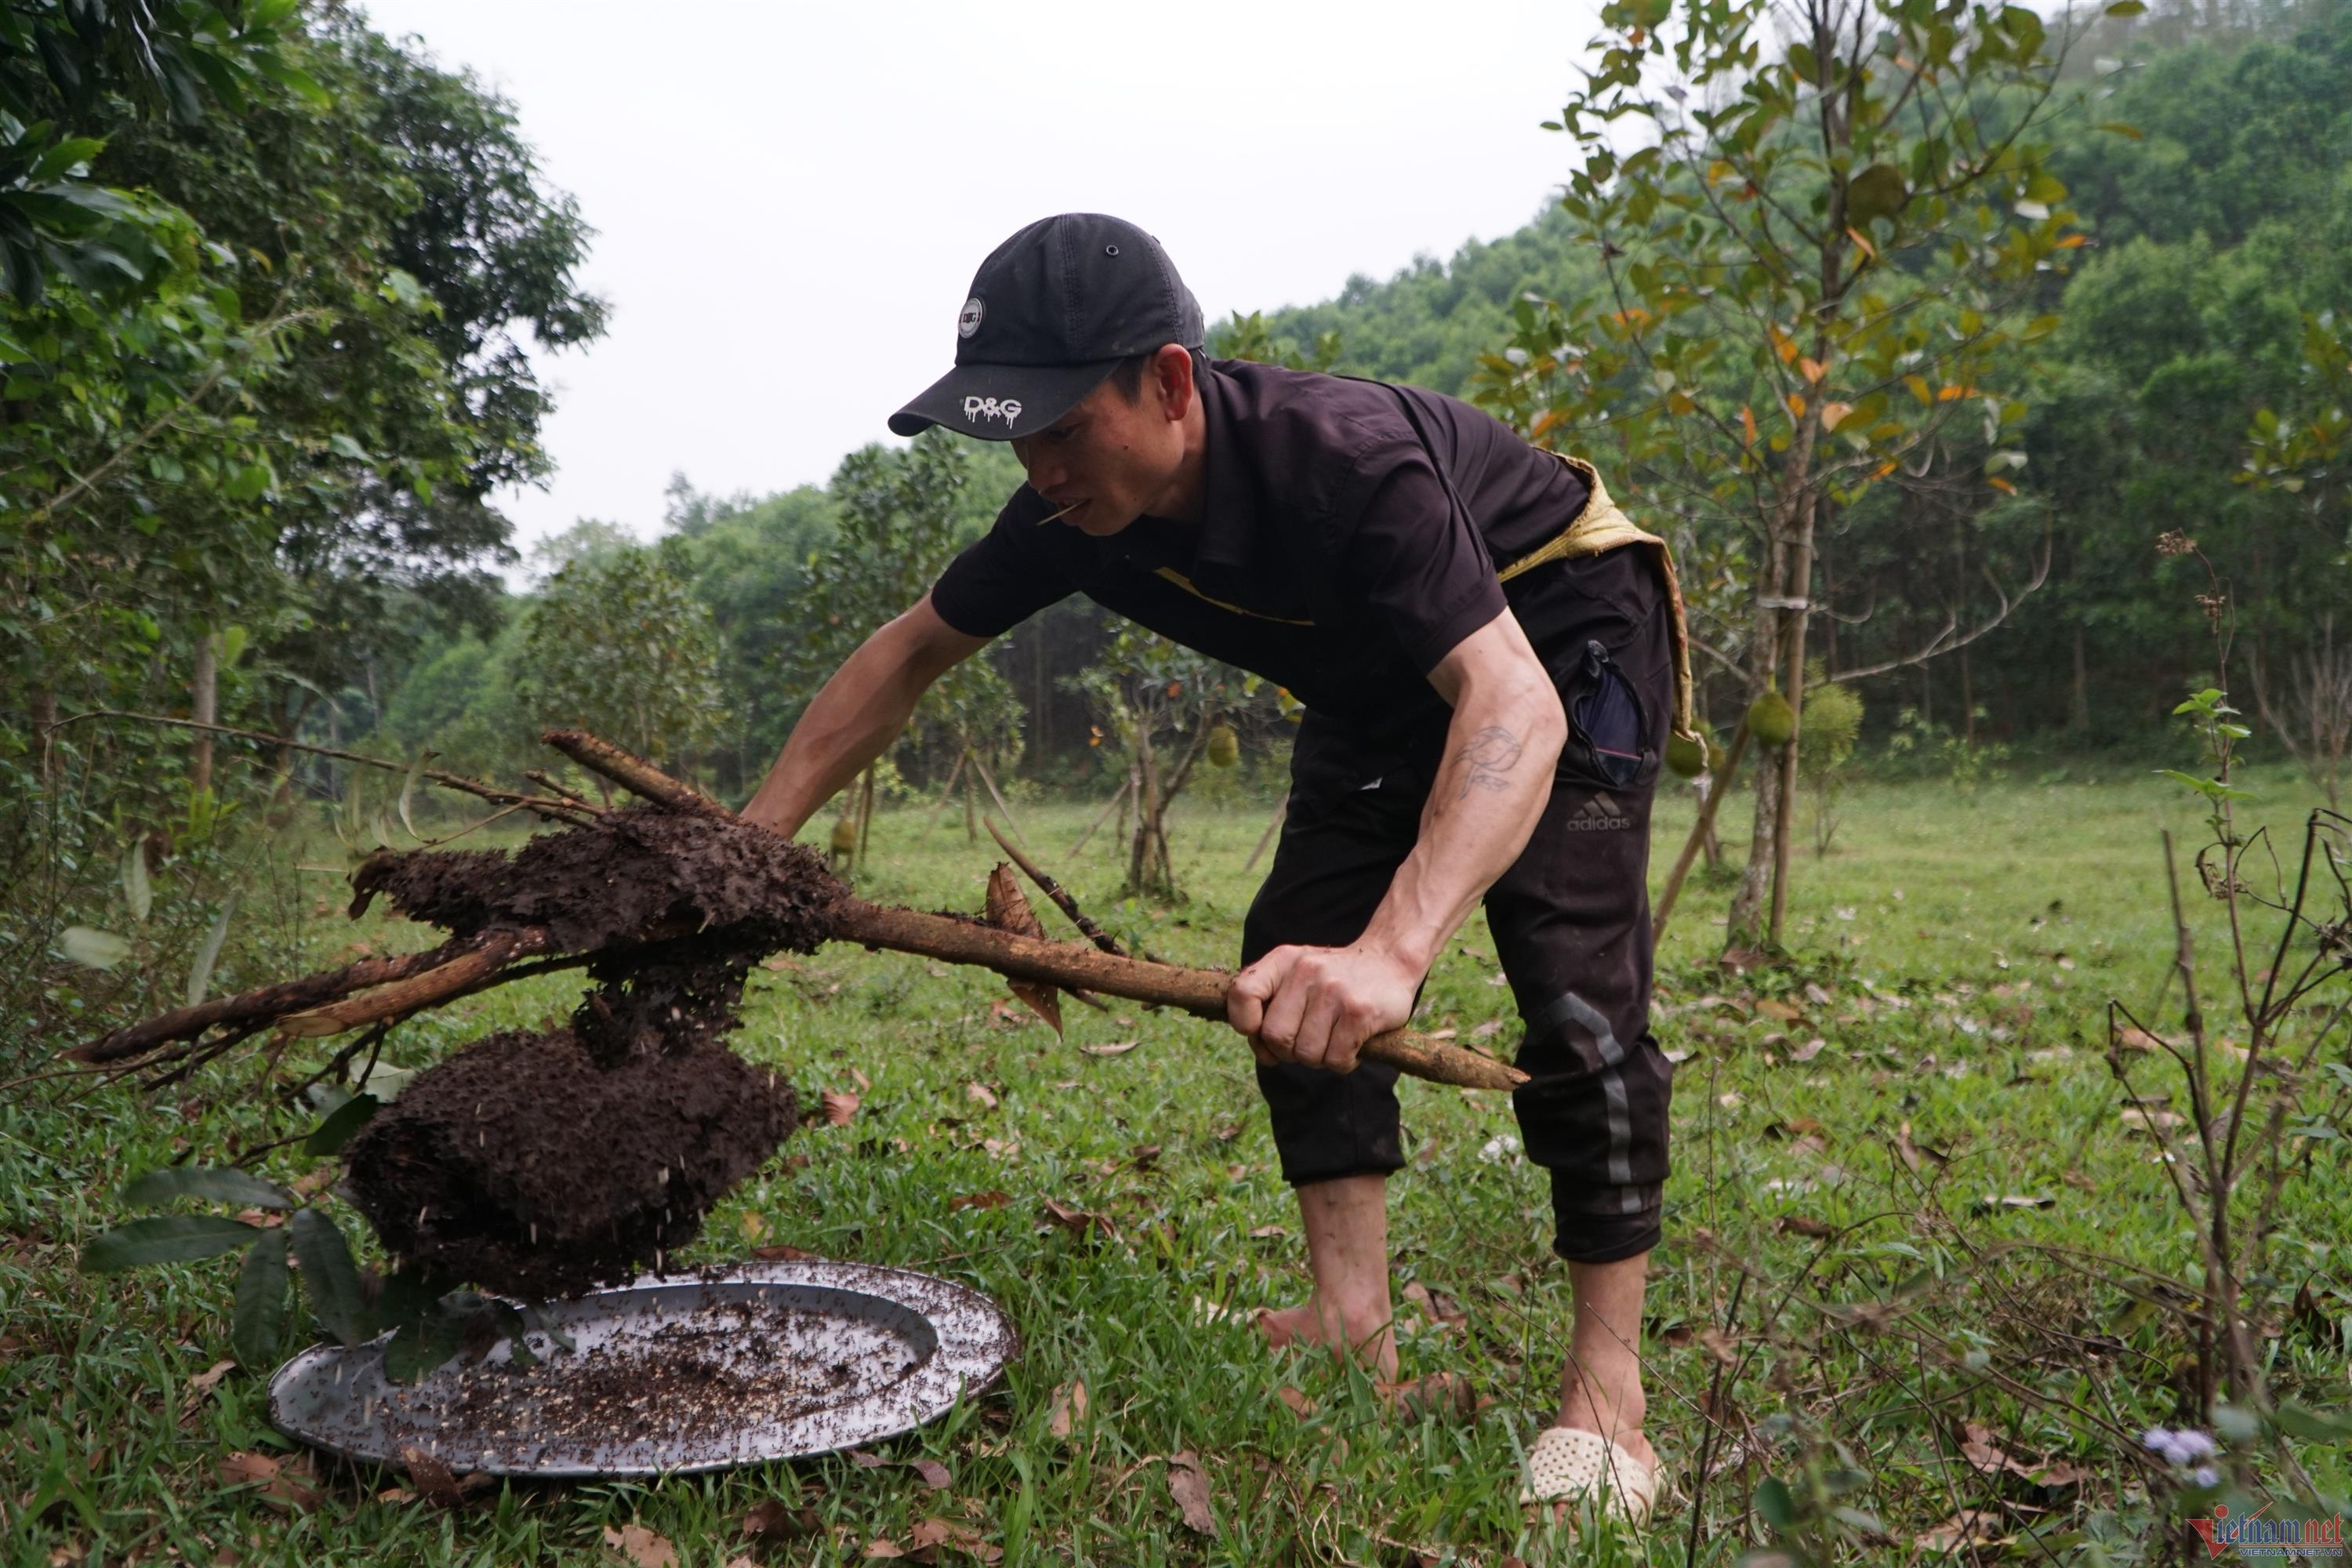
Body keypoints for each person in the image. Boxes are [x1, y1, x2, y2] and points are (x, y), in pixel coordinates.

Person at [741, 212, 1698, 1528]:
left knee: (1572, 985)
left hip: (1559, 624)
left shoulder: (1348, 465)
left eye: (1065, 427)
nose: (1040, 466)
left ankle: (1609, 1397)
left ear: (1172, 382)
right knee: (1292, 938)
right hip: (1381, 676)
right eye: (1015, 436)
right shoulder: (1070, 517)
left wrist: (1399, 949)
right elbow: (905, 654)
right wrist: (742, 850)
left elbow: (1513, 709)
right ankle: (1352, 1319)